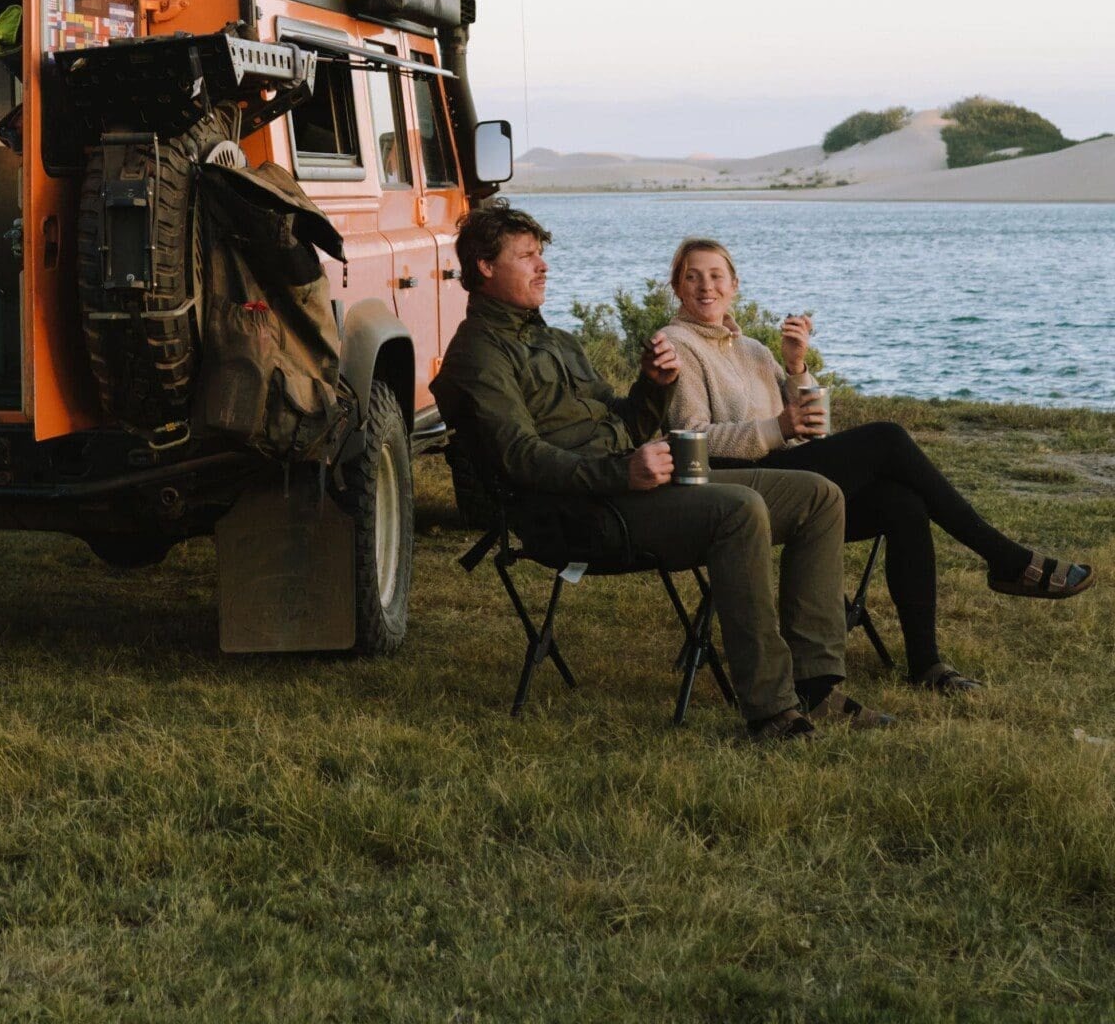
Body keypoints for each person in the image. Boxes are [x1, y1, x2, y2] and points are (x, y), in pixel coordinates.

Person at [433, 202, 886, 741]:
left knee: (818, 495)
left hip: (628, 488)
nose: (543, 267)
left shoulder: (555, 340)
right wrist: (620, 473)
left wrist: (652, 384)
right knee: (740, 510)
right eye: (527, 256)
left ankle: (817, 684)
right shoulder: (478, 355)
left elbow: (623, 422)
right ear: (485, 266)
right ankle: (771, 711)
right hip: (577, 514)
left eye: (541, 255)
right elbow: (520, 457)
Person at [658, 237, 1096, 695]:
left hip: (790, 479)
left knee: (902, 504)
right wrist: (775, 429)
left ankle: (926, 664)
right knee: (886, 437)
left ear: (734, 286)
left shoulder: (753, 350)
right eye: (693, 276)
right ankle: (1003, 557)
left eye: (715, 276)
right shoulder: (676, 343)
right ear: (677, 286)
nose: (705, 286)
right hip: (733, 489)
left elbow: (814, 432)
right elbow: (691, 437)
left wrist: (796, 366)